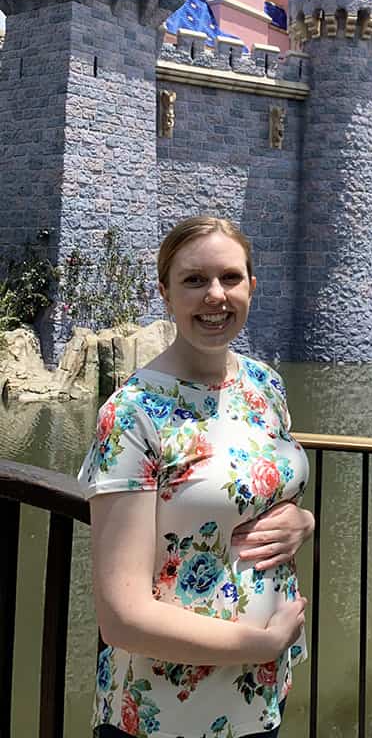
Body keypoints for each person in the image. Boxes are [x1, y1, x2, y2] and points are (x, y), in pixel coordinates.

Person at [78, 216, 314, 738]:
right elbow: (121, 619)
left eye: (230, 278)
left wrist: (304, 521)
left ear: (252, 286)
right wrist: (260, 644)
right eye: (194, 280)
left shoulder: (263, 384)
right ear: (165, 293)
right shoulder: (134, 413)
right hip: (163, 715)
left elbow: (266, 489)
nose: (215, 295)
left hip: (260, 699)